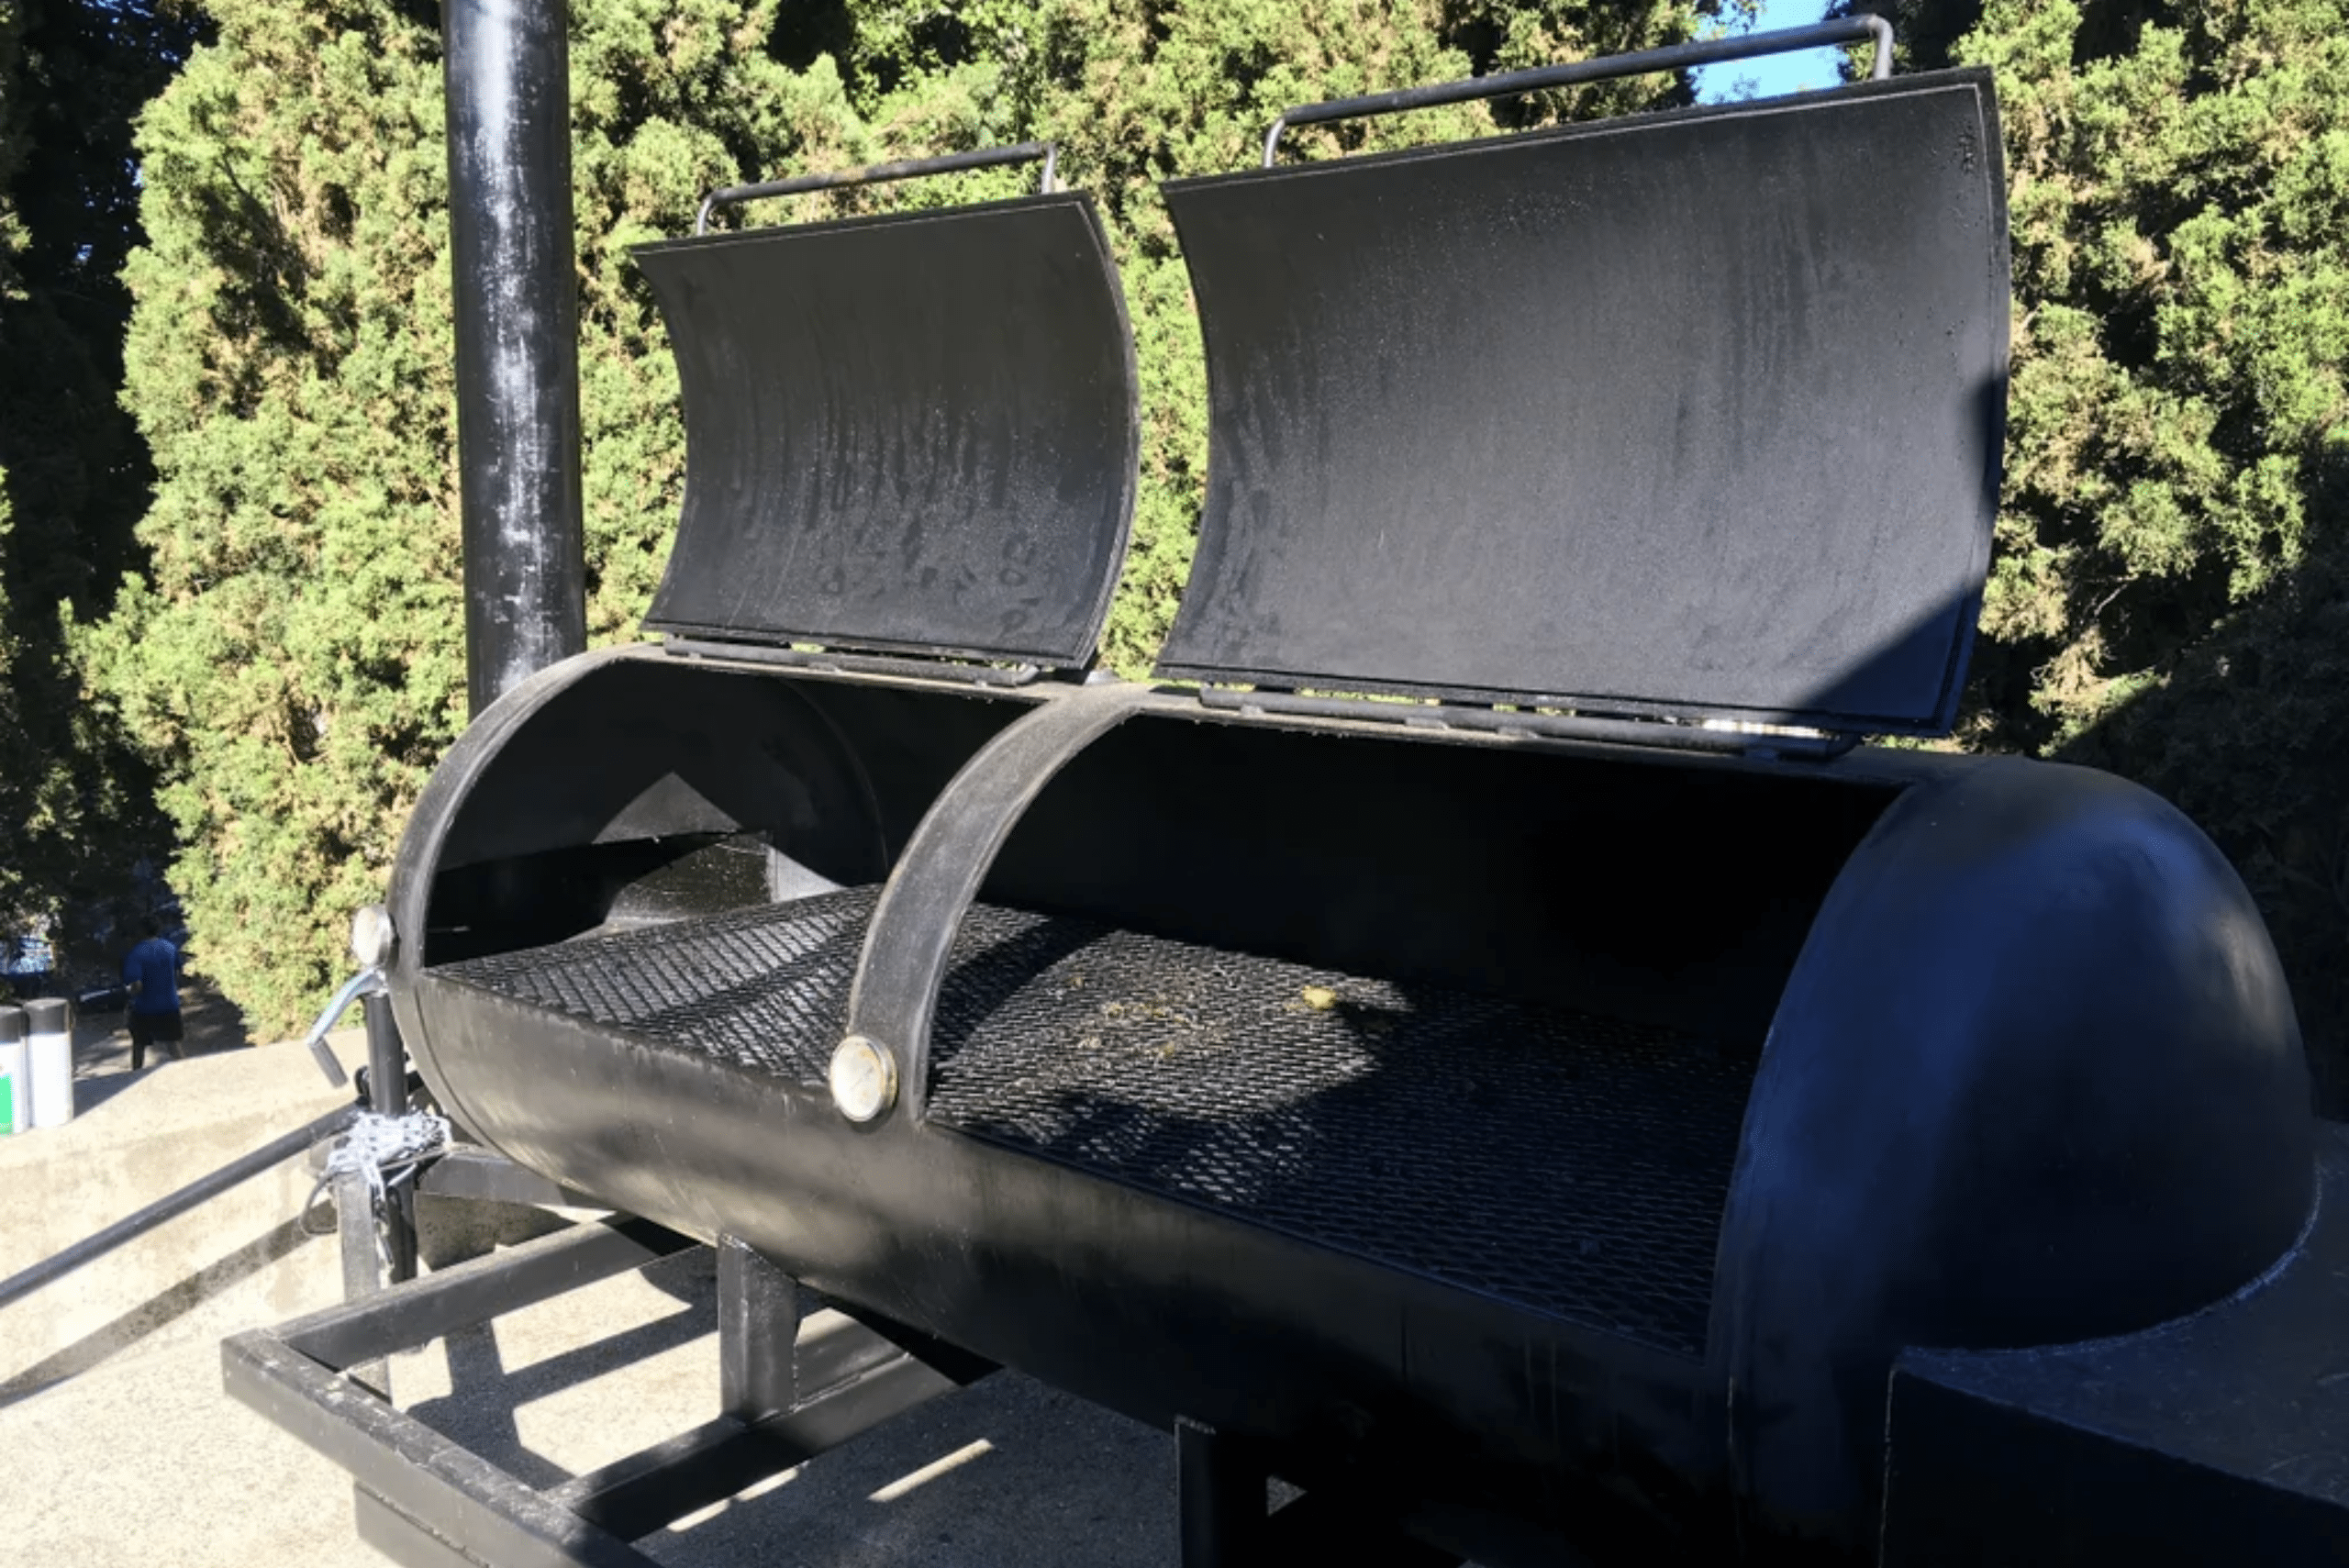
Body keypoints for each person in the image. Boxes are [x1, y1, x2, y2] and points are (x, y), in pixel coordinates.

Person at [123, 917, 185, 1070]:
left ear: (141, 931)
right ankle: (186, 1072)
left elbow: (137, 985)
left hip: (145, 1008)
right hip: (170, 1004)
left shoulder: (136, 953)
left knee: (139, 1045)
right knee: (173, 1043)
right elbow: (178, 971)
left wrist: (129, 995)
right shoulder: (170, 947)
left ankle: (135, 1077)